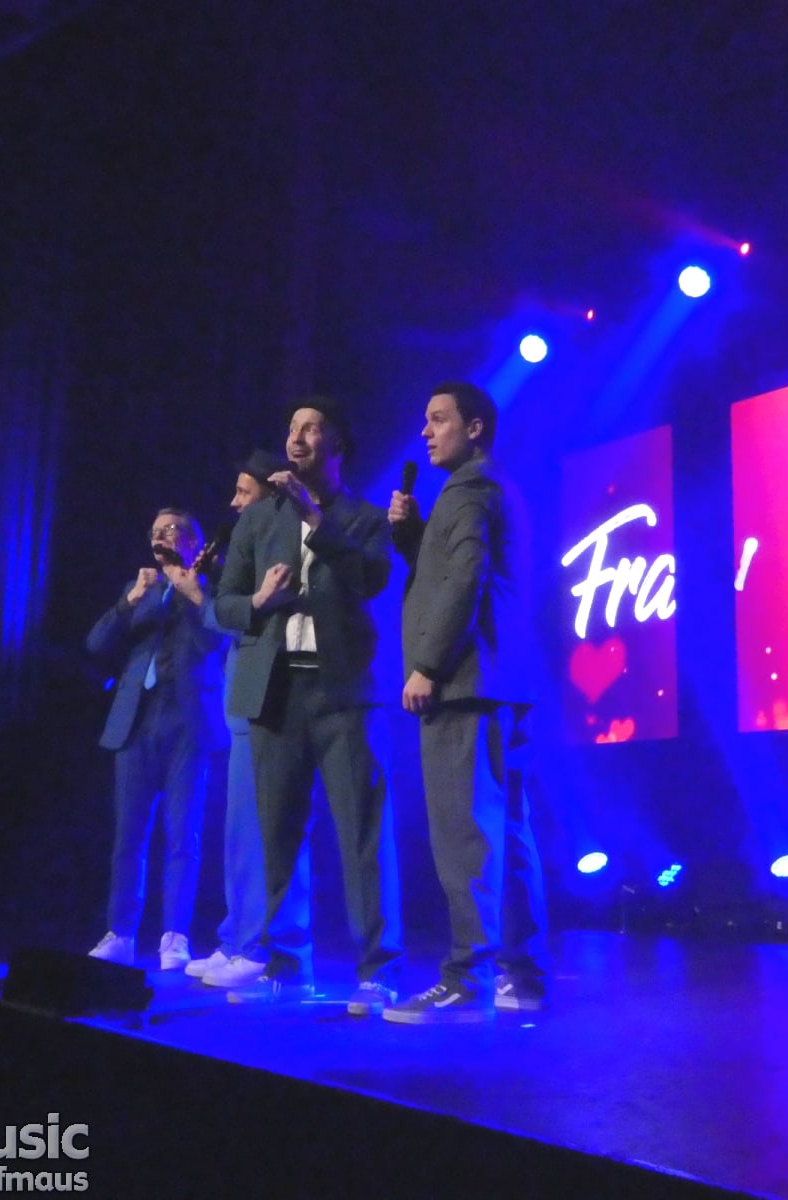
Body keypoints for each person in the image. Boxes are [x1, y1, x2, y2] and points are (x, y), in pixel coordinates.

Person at [211, 397, 404, 1014]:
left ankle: (379, 969)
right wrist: (259, 602)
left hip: (341, 693)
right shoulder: (257, 520)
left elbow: (371, 579)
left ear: (336, 444)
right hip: (276, 692)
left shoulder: (363, 518)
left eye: (311, 427)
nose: (296, 436)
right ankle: (287, 962)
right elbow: (224, 604)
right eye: (292, 427)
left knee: (362, 834)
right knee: (277, 833)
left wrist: (315, 517)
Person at [383, 382, 549, 1024]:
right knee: (507, 831)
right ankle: (521, 975)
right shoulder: (490, 488)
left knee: (464, 833)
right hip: (502, 686)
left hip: (466, 684)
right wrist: (411, 538)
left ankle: (466, 977)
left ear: (474, 428)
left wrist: (427, 665)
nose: (426, 432)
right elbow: (457, 572)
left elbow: (466, 581)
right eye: (425, 420)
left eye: (439, 419)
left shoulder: (468, 489)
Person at [186, 450, 313, 989]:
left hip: (272, 691)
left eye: (244, 491)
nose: (235, 503)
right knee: (239, 827)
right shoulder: (243, 545)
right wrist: (207, 592)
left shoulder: (287, 540)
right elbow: (227, 613)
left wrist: (218, 599)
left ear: (270, 493)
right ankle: (236, 935)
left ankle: (259, 944)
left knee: (262, 827)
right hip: (242, 690)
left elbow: (251, 614)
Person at [84, 509, 227, 970]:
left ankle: (175, 936)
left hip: (188, 722)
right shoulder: (140, 587)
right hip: (137, 721)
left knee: (183, 834)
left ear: (192, 541)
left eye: (170, 530)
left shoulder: (210, 586)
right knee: (128, 835)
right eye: (155, 531)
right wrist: (130, 601)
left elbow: (216, 641)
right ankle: (121, 932)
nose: (160, 536)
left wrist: (192, 591)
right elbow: (96, 644)